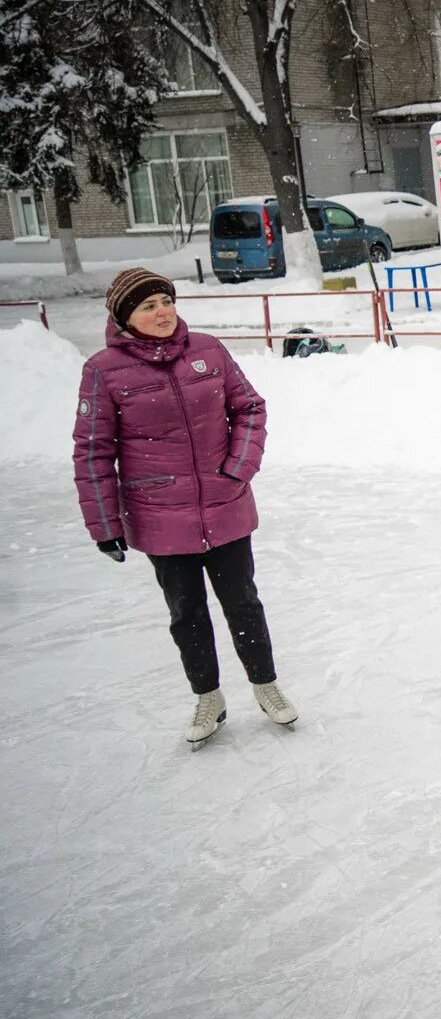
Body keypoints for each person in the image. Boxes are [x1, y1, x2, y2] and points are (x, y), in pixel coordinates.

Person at [72, 268, 299, 745]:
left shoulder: (208, 350)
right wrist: (104, 524)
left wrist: (238, 467)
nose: (162, 312)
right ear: (124, 316)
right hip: (158, 513)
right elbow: (93, 450)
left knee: (243, 602)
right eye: (148, 306)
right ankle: (208, 698)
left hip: (225, 502)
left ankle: (266, 685)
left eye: (165, 301)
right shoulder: (103, 370)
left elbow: (250, 408)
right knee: (186, 612)